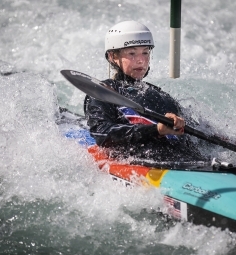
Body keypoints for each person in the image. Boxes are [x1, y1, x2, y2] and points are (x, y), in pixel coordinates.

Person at [84, 20, 207, 164]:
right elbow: (102, 133)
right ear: (113, 57)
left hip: (191, 162)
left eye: (145, 53)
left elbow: (194, 133)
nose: (141, 60)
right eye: (132, 53)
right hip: (147, 163)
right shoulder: (103, 91)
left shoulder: (161, 95)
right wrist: (156, 130)